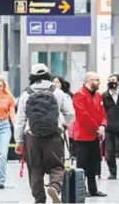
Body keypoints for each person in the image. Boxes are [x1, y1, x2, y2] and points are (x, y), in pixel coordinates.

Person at [15, 64, 74, 203]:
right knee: (57, 166)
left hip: (32, 137)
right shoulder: (57, 92)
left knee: (35, 168)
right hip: (53, 135)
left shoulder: (26, 94)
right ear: (48, 74)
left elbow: (20, 121)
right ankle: (54, 187)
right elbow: (70, 113)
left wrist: (18, 141)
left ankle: (39, 199)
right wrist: (63, 122)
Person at [73, 72, 107, 197]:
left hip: (95, 135)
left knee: (93, 163)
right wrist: (96, 127)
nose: (99, 82)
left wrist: (103, 126)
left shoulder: (98, 96)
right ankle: (81, 189)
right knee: (82, 164)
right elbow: (83, 115)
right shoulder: (79, 95)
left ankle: (93, 189)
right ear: (88, 80)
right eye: (96, 80)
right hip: (83, 135)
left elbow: (103, 113)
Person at [51, 76, 76, 157]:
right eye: (53, 81)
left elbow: (70, 112)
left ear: (61, 84)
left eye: (57, 82)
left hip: (61, 125)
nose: (55, 83)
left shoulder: (65, 96)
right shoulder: (47, 95)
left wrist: (65, 123)